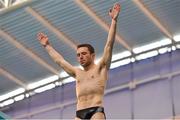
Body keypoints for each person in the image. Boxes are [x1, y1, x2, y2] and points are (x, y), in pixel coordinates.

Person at [37, 3, 120, 120]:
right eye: (78, 55)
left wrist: (114, 21)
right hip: (79, 113)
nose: (80, 57)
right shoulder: (77, 73)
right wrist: (47, 46)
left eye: (84, 54)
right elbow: (60, 61)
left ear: (93, 55)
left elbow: (109, 45)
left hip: (96, 111)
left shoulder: (101, 68)